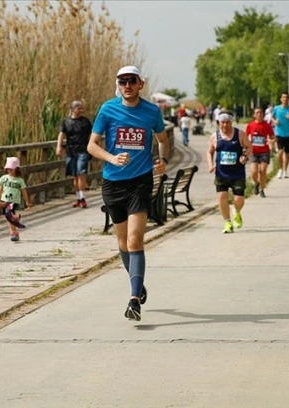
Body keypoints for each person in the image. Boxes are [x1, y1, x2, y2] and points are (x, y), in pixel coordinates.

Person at [87, 65, 169, 322]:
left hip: (140, 182)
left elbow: (163, 140)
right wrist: (111, 157)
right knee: (122, 243)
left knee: (135, 241)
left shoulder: (151, 111)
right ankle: (137, 281)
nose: (127, 86)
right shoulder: (107, 109)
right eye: (122, 82)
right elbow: (91, 145)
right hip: (113, 183)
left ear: (140, 84)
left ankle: (134, 300)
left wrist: (162, 159)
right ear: (118, 85)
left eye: (132, 81)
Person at [207, 110, 252, 233]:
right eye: (222, 122)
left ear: (231, 122)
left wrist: (245, 156)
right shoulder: (214, 136)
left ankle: (236, 211)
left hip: (237, 172)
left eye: (227, 122)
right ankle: (227, 222)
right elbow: (209, 152)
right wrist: (211, 165)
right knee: (222, 197)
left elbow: (249, 147)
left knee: (239, 200)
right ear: (218, 122)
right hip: (221, 173)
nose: (225, 125)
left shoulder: (239, 134)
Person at [56, 100, 93, 208]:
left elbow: (92, 135)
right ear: (73, 109)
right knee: (75, 175)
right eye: (79, 108)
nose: (81, 110)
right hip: (71, 151)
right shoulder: (66, 121)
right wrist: (59, 146)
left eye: (82, 108)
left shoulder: (85, 121)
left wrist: (93, 147)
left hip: (83, 150)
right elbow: (61, 134)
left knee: (81, 173)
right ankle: (78, 197)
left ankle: (82, 198)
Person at [0, 157, 32, 242]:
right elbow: (0, 189)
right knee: (8, 215)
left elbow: (24, 191)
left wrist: (27, 201)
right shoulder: (4, 178)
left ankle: (13, 232)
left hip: (14, 200)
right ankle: (15, 223)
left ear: (16, 169)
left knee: (8, 213)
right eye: (8, 169)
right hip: (4, 200)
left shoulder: (19, 180)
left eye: (11, 169)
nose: (9, 171)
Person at [245, 107, 274, 198]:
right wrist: (245, 147)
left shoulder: (267, 126)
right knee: (254, 172)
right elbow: (245, 137)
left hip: (264, 151)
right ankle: (256, 183)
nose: (259, 114)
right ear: (254, 115)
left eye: (261, 112)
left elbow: (273, 137)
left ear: (263, 114)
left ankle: (262, 190)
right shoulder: (250, 125)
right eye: (257, 112)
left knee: (263, 171)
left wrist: (271, 141)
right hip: (253, 151)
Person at [271, 93, 289, 179]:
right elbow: (272, 117)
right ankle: (280, 169)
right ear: (281, 99)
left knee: (287, 154)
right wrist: (275, 122)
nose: (285, 99)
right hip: (279, 133)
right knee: (280, 152)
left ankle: (285, 170)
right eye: (283, 97)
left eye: (287, 97)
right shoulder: (276, 108)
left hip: (288, 134)